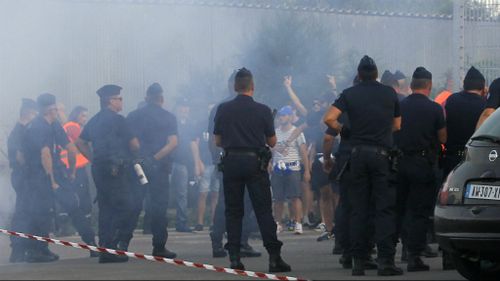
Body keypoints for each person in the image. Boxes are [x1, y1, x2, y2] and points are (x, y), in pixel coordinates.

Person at [323, 56, 403, 276]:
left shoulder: (349, 94)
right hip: (382, 155)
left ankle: (358, 261)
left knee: (358, 208)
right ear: (376, 74)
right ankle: (386, 261)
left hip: (357, 156)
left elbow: (329, 118)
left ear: (359, 75)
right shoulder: (389, 93)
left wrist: (345, 130)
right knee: (384, 208)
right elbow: (397, 125)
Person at [214, 68, 290, 272]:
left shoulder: (223, 109)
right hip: (255, 163)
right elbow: (272, 141)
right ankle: (274, 258)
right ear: (252, 87)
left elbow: (218, 141)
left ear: (235, 87)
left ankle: (235, 258)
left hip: (231, 162)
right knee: (263, 211)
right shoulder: (263, 110)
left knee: (233, 211)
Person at [76, 85, 139, 263]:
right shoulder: (120, 120)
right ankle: (114, 245)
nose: (121, 101)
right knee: (127, 206)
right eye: (119, 98)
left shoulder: (94, 120)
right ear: (111, 101)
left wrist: (94, 159)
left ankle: (105, 249)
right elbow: (135, 145)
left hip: (99, 169)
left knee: (106, 208)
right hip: (116, 170)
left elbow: (80, 142)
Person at [396, 67, 447, 272]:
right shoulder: (434, 108)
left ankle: (396, 251)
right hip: (423, 164)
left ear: (411, 85)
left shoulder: (400, 105)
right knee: (419, 212)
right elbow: (443, 137)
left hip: (399, 163)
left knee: (400, 209)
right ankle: (414, 255)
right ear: (429, 85)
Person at [209, 71, 262, 259]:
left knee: (238, 204)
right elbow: (214, 138)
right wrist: (217, 160)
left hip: (230, 161)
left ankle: (233, 242)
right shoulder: (223, 107)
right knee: (234, 203)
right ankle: (226, 241)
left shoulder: (224, 107)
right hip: (233, 160)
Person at [22, 93, 77, 263]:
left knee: (44, 212)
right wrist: (53, 179)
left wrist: (71, 171)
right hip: (40, 176)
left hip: (39, 175)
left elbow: (71, 148)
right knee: (39, 212)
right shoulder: (39, 127)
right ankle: (35, 250)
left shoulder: (52, 125)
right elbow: (45, 154)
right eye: (56, 109)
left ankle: (41, 248)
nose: (58, 113)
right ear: (50, 110)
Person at [126, 83, 178, 258]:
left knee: (133, 205)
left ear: (146, 98)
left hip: (137, 167)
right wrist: (154, 159)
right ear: (161, 99)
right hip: (160, 168)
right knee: (159, 207)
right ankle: (159, 247)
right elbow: (172, 143)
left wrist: (141, 157)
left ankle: (122, 243)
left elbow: (130, 142)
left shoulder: (133, 116)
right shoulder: (168, 117)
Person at [7, 98, 38, 263]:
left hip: (24, 175)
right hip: (23, 175)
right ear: (27, 112)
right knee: (23, 212)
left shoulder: (21, 130)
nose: (36, 117)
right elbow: (20, 156)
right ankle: (18, 249)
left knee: (27, 211)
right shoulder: (20, 131)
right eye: (34, 113)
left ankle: (24, 248)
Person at [271, 106, 309, 235]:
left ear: (290, 117)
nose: (282, 117)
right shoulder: (274, 132)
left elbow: (303, 152)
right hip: (278, 168)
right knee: (278, 198)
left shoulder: (297, 132)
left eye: (284, 115)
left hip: (293, 167)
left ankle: (298, 223)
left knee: (295, 196)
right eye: (280, 115)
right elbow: (269, 149)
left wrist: (307, 170)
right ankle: (278, 223)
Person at [443, 67, 487, 178]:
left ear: (464, 85)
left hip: (452, 159)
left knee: (451, 191)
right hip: (476, 160)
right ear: (482, 87)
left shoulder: (452, 100)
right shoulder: (485, 105)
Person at [171, 98, 199, 233]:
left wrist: (197, 163)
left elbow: (194, 145)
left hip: (183, 163)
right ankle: (152, 222)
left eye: (186, 108)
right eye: (181, 107)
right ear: (177, 109)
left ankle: (181, 222)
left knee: (182, 194)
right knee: (161, 194)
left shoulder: (190, 126)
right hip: (168, 162)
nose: (184, 110)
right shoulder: (170, 123)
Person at [194, 103, 219, 232]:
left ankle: (214, 222)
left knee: (215, 194)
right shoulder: (201, 124)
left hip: (217, 163)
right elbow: (196, 144)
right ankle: (200, 222)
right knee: (203, 193)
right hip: (206, 162)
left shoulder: (220, 123)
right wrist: (198, 161)